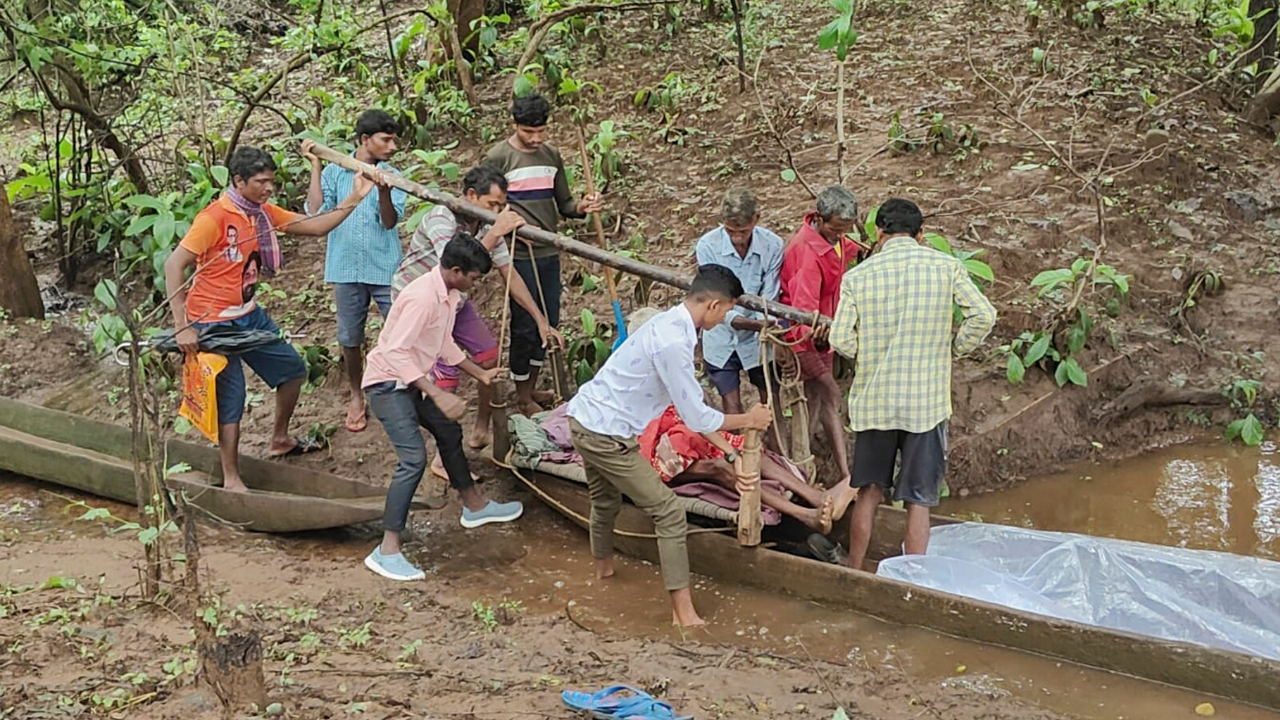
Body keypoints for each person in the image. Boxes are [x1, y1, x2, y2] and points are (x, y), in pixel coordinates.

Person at [165, 145, 380, 493]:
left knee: (292, 371)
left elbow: (313, 226)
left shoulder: (261, 213)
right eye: (261, 182)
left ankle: (279, 437)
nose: (269, 189)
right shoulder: (214, 218)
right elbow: (173, 265)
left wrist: (355, 197)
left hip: (249, 316)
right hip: (212, 323)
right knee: (231, 396)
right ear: (239, 181)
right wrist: (182, 325)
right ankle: (232, 477)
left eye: (271, 182)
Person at [567, 265, 773, 627]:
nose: (726, 318)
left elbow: (689, 412)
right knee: (669, 512)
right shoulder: (674, 342)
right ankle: (683, 615)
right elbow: (697, 416)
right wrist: (747, 421)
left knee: (605, 500)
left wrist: (730, 453)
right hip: (604, 433)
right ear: (713, 305)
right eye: (726, 310)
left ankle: (603, 575)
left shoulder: (670, 325)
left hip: (588, 418)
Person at [829, 198, 996, 571]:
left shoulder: (858, 276)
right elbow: (983, 315)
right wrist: (955, 347)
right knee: (919, 499)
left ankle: (856, 569)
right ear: (922, 235)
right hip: (927, 404)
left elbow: (839, 339)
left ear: (879, 233)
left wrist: (867, 352)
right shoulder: (946, 267)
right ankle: (915, 581)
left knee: (869, 492)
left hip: (875, 403)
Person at [362, 232, 524, 582]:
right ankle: (386, 550)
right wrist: (435, 393)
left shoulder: (449, 295)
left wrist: (479, 373)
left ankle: (475, 506)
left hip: (410, 382)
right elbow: (395, 353)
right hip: (388, 385)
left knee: (449, 431)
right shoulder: (422, 298)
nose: (476, 285)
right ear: (455, 270)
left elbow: (443, 342)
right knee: (413, 459)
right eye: (474, 278)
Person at [393, 165, 564, 471]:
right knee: (445, 376)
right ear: (471, 195)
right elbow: (455, 265)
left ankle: (481, 429)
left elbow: (508, 272)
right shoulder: (440, 218)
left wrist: (540, 319)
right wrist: (497, 230)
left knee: (489, 359)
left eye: (501, 206)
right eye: (492, 205)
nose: (497, 211)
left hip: (455, 302)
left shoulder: (484, 225)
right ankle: (443, 459)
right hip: (423, 304)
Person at [485, 92, 603, 416]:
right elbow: (485, 204)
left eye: (541, 131)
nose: (536, 139)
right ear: (514, 125)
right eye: (528, 132)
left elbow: (564, 205)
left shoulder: (551, 155)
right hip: (516, 255)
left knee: (548, 322)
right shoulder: (498, 158)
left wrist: (582, 205)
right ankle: (522, 396)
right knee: (525, 325)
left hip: (549, 252)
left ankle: (531, 386)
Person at [302, 110, 408, 434]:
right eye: (385, 139)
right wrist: (317, 168)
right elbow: (316, 211)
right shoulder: (336, 171)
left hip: (384, 265)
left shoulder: (393, 175)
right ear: (365, 140)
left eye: (394, 140)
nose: (392, 146)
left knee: (400, 328)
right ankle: (355, 393)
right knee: (350, 336)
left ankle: (397, 390)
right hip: (345, 265)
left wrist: (384, 192)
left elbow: (389, 222)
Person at [778, 185, 867, 486]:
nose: (838, 235)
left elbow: (848, 253)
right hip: (802, 336)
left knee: (819, 401)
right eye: (834, 229)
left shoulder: (839, 241)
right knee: (827, 392)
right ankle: (801, 470)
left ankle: (843, 473)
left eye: (844, 230)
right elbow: (802, 308)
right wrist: (810, 334)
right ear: (819, 218)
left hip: (825, 333)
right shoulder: (806, 251)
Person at [638, 405, 838, 533]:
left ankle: (815, 496)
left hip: (687, 429)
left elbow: (696, 412)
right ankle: (805, 515)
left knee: (748, 453)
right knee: (720, 467)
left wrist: (733, 452)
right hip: (655, 451)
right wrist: (748, 419)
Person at [693, 188, 784, 417]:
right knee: (731, 407)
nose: (736, 237)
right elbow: (716, 303)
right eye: (731, 231)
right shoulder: (708, 246)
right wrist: (755, 324)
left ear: (757, 219)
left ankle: (776, 451)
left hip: (760, 340)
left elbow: (770, 297)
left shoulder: (772, 245)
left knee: (772, 405)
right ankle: (737, 451)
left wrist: (766, 324)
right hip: (721, 337)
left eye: (742, 231)